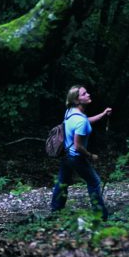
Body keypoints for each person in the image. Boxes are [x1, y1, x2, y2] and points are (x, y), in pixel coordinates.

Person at [50, 85, 112, 220]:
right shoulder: (80, 121)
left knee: (62, 181)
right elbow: (78, 146)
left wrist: (102, 114)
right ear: (77, 101)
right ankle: (101, 216)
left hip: (66, 154)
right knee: (94, 182)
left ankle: (55, 211)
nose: (88, 94)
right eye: (84, 94)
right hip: (76, 157)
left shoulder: (70, 112)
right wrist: (91, 155)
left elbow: (85, 121)